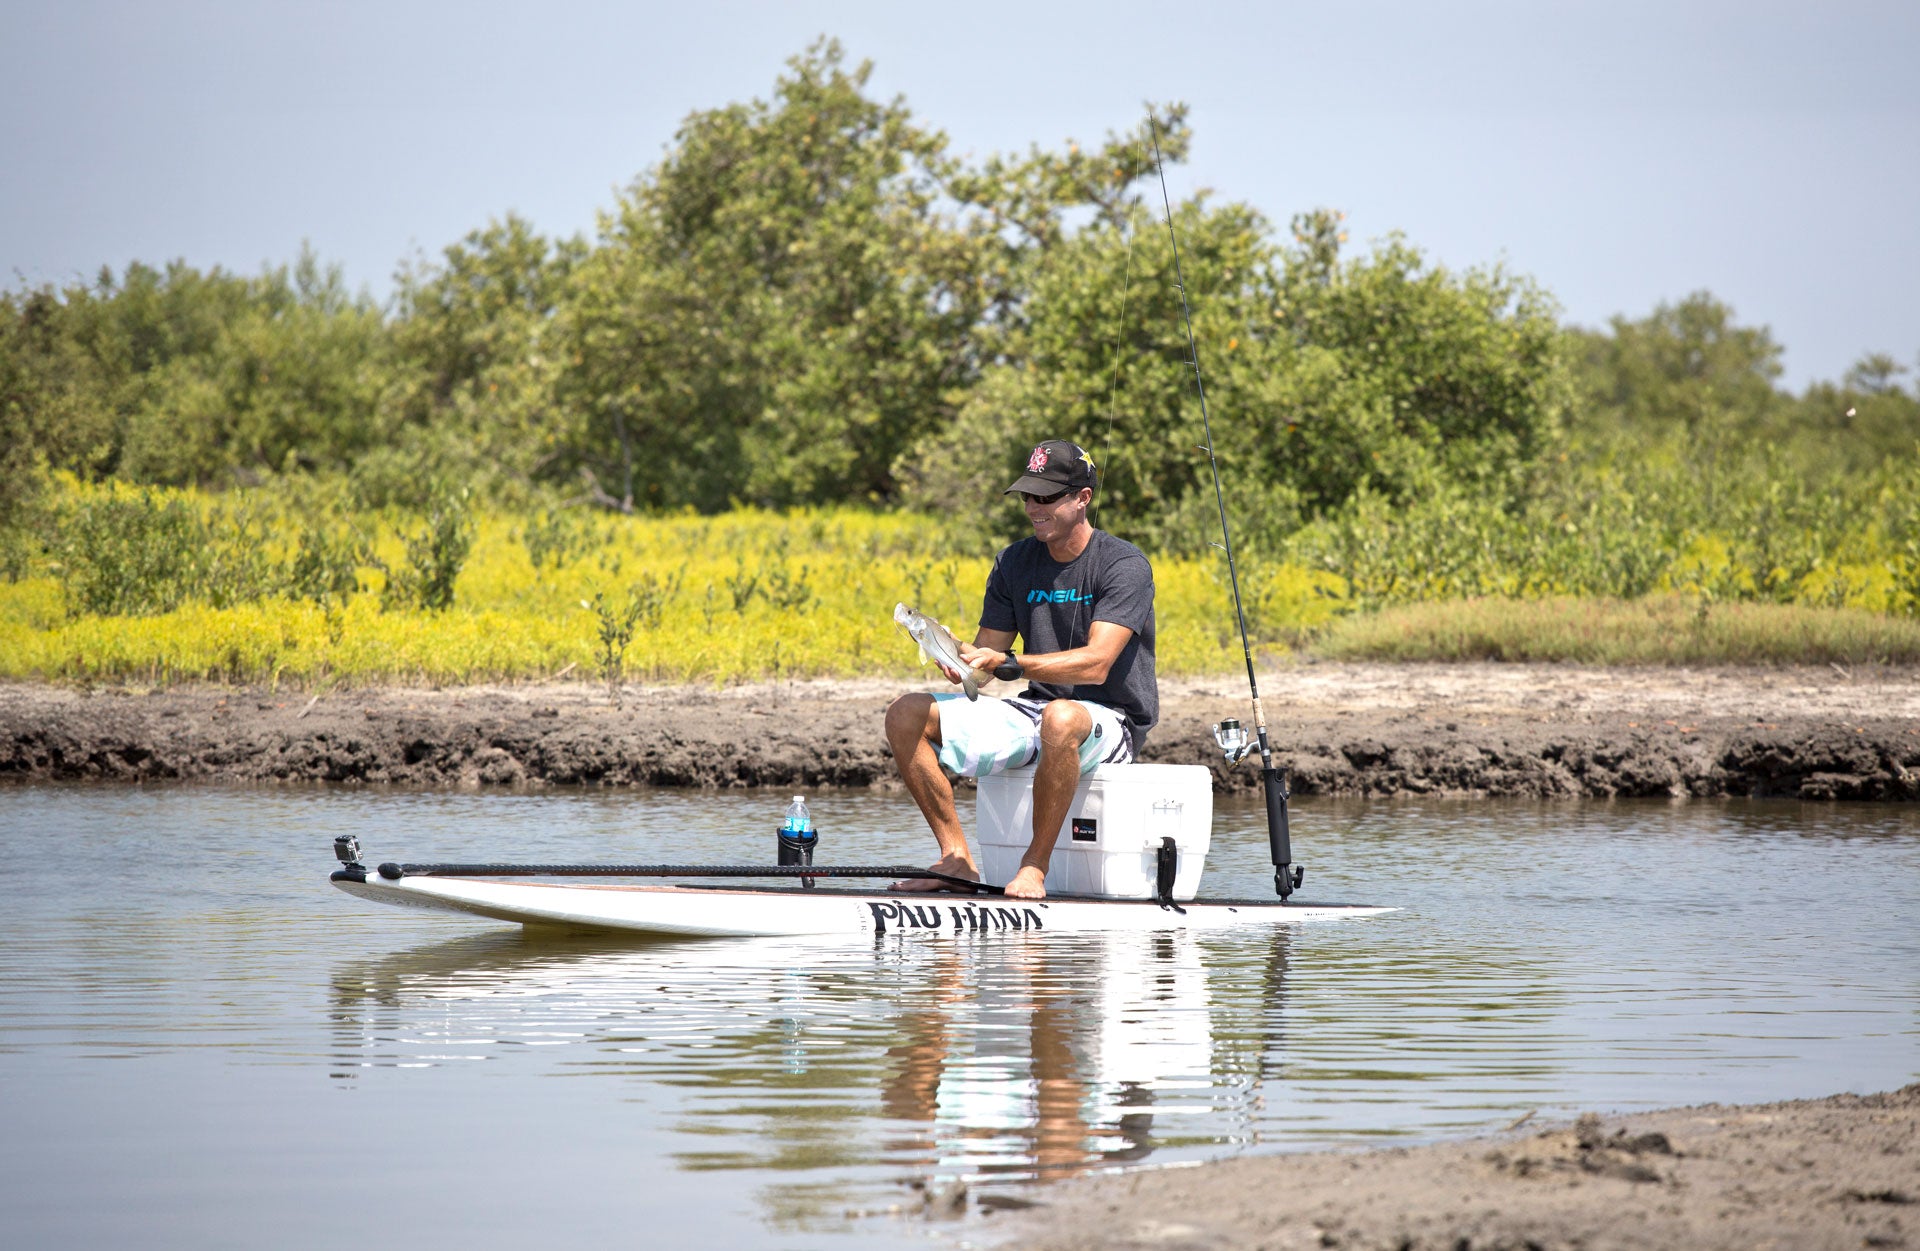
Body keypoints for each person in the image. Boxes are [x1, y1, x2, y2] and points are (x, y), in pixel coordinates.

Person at [886, 439, 1157, 900]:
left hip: (1110, 720)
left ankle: (1034, 866)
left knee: (1063, 716)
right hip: (1035, 711)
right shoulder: (1013, 561)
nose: (1034, 507)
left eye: (1047, 496)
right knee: (905, 712)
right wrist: (960, 658)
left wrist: (1009, 664)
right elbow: (987, 660)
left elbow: (1096, 664)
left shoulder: (1124, 565)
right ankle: (957, 859)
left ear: (1082, 498)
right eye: (1028, 496)